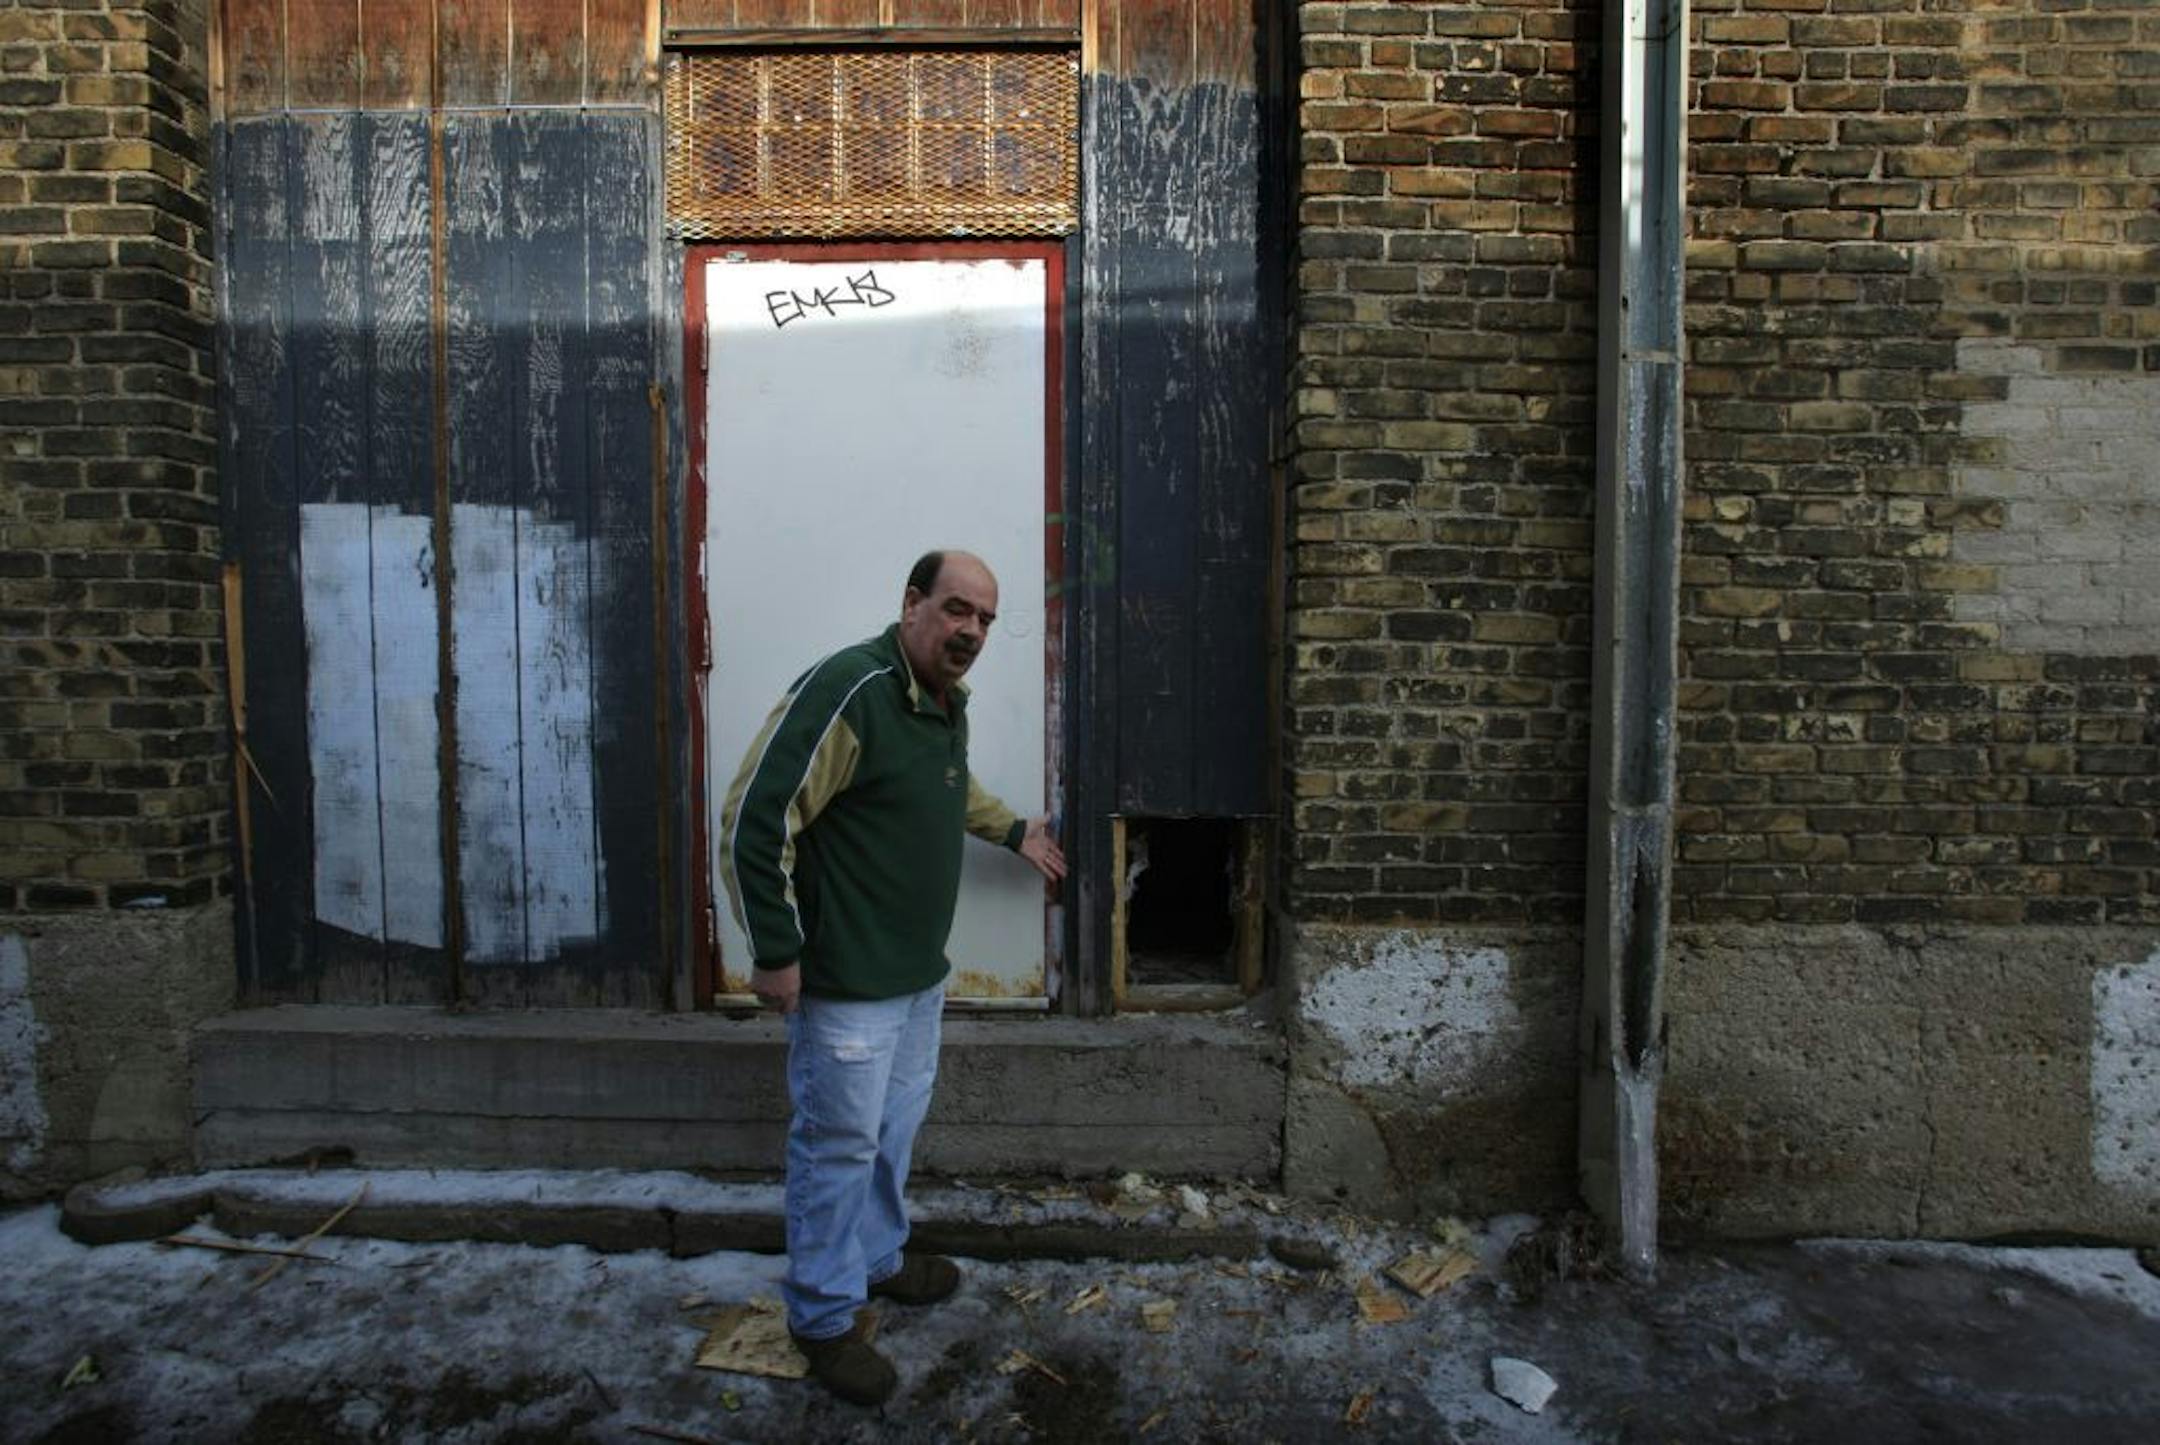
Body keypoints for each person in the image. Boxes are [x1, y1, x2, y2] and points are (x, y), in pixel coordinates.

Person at [719, 549, 1067, 1407]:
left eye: (985, 618)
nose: (972, 631)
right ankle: (825, 1314)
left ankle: (875, 1257)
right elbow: (754, 817)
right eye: (956, 610)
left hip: (915, 976)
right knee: (836, 1145)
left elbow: (946, 792)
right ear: (912, 603)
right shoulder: (854, 688)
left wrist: (1013, 827)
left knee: (890, 1131)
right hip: (846, 982)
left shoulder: (942, 706)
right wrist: (776, 948)